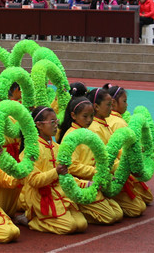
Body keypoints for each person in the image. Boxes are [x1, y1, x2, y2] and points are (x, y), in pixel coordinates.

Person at [57, 89, 123, 225]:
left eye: (91, 116)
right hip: (80, 183)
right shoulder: (71, 136)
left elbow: (101, 156)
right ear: (73, 116)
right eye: (85, 116)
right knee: (110, 217)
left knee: (118, 213)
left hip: (94, 180)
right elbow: (72, 167)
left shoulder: (88, 133)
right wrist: (97, 173)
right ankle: (77, 205)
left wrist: (106, 173)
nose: (89, 120)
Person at [20, 106, 87, 234]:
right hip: (42, 197)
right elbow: (34, 180)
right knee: (70, 227)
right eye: (52, 122)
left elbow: (67, 176)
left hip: (60, 194)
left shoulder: (58, 147)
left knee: (82, 225)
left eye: (56, 121)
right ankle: (33, 220)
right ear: (39, 125)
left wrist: (87, 184)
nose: (56, 125)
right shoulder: (31, 150)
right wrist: (56, 171)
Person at [85, 87, 145, 217]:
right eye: (108, 104)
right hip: (103, 173)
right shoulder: (95, 129)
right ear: (96, 107)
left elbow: (117, 151)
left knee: (143, 202)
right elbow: (103, 158)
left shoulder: (104, 123)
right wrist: (124, 167)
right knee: (134, 209)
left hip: (113, 169)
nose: (111, 107)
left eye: (111, 104)